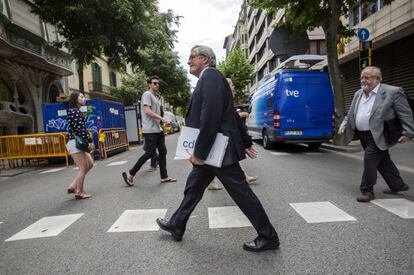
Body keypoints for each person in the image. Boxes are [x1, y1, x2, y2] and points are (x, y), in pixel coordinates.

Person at [156, 45, 279, 252]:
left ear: (205, 59)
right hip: (213, 150)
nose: (188, 61)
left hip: (218, 151)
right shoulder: (209, 79)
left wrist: (199, 153)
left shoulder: (210, 76)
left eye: (192, 57)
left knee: (241, 193)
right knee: (193, 188)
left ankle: (268, 236)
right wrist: (246, 141)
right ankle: (177, 224)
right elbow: (228, 115)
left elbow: (211, 118)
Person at [339, 66, 414, 202]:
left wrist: (408, 132)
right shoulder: (358, 93)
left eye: (368, 77)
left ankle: (367, 190)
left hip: (381, 133)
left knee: (370, 158)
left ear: (378, 79)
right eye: (362, 77)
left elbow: (405, 113)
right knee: (382, 161)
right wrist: (344, 125)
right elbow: (352, 113)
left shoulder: (392, 92)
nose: (364, 80)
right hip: (363, 134)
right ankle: (398, 185)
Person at [122, 76, 176, 186]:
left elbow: (155, 113)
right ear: (149, 84)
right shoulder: (147, 94)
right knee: (149, 153)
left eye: (158, 83)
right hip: (150, 130)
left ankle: (164, 176)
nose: (157, 85)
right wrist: (161, 119)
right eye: (155, 83)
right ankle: (130, 173)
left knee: (163, 152)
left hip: (157, 129)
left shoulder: (155, 97)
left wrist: (162, 123)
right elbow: (147, 111)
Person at [208, 78, 258, 191]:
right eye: (232, 86)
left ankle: (244, 178)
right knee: (215, 165)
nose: (234, 88)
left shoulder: (224, 100)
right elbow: (227, 119)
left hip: (220, 139)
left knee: (211, 165)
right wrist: (246, 143)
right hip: (220, 138)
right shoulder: (221, 100)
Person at [66, 92, 94, 199]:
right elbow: (81, 130)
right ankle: (79, 191)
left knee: (90, 163)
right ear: (75, 99)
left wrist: (89, 140)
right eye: (81, 97)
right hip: (75, 142)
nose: (84, 98)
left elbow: (83, 129)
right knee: (82, 167)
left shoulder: (75, 111)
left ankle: (74, 185)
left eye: (84, 96)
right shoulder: (74, 112)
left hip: (78, 142)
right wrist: (89, 142)